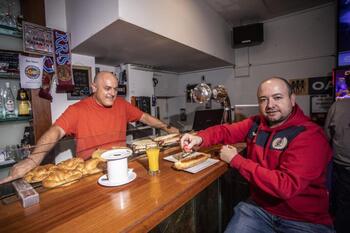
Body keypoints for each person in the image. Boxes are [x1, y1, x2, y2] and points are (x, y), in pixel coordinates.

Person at [181, 77, 334, 233]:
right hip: (259, 209)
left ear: (292, 99)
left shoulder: (310, 135)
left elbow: (286, 186)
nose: (270, 105)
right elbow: (226, 131)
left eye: (278, 97)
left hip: (303, 220)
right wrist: (200, 137)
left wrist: (236, 160)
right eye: (263, 99)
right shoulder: (256, 123)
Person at [0, 71, 179, 184]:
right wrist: (33, 160)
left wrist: (168, 127)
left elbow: (145, 117)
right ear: (93, 87)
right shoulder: (77, 110)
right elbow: (55, 132)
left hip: (123, 165)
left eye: (116, 89)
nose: (113, 93)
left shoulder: (122, 104)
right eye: (107, 88)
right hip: (92, 172)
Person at [324, 96, 350, 233]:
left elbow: (327, 134)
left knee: (342, 206)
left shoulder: (338, 106)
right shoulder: (338, 105)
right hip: (341, 166)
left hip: (341, 165)